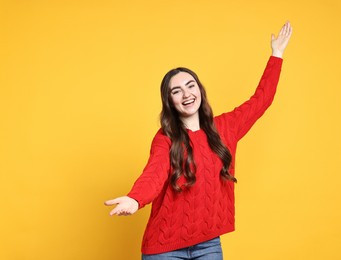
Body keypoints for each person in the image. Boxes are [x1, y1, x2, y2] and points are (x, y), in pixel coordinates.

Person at [105, 21, 293, 260]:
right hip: (164, 247)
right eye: (176, 91)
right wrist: (135, 199)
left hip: (208, 244)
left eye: (190, 86)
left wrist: (277, 54)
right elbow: (154, 173)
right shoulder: (166, 138)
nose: (186, 94)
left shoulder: (226, 127)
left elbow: (261, 100)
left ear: (200, 90)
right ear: (169, 102)